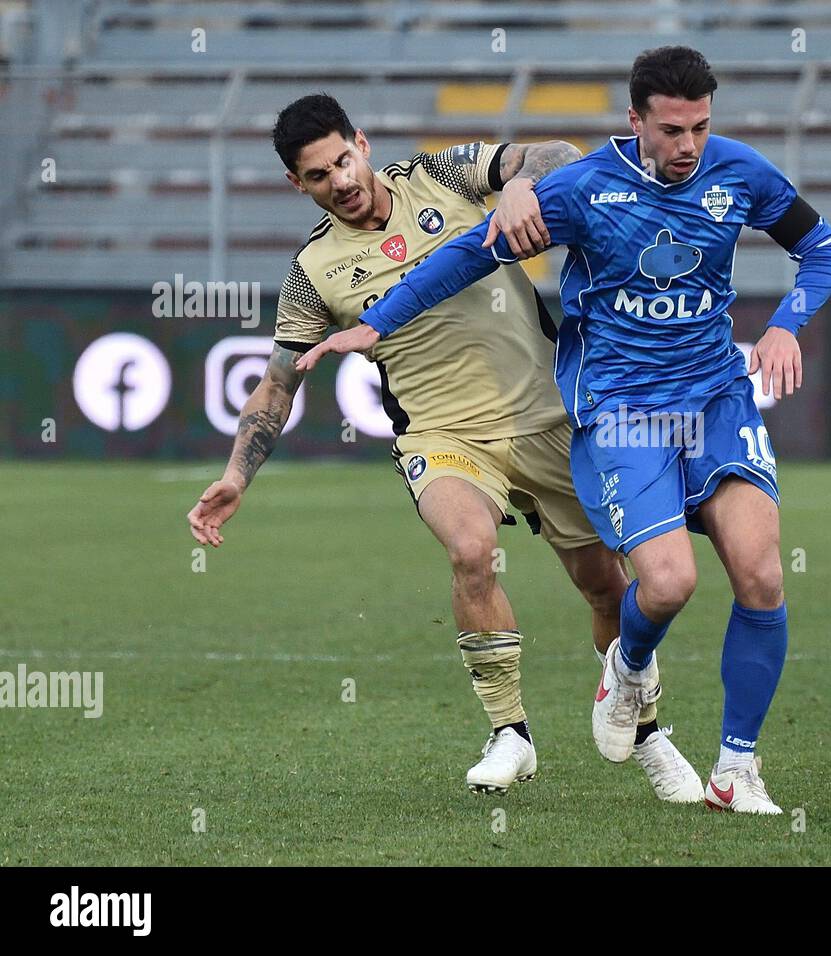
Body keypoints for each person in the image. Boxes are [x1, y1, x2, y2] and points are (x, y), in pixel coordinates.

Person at [295, 47, 831, 815]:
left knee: (760, 577)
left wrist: (788, 324)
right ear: (636, 122)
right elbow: (468, 253)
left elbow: (825, 249)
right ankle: (627, 668)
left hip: (717, 398)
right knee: (667, 585)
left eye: (699, 126)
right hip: (621, 408)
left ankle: (737, 769)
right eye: (670, 130)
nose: (687, 145)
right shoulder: (587, 189)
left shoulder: (741, 173)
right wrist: (379, 321)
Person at [186, 93, 701, 802]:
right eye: (317, 175)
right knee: (468, 549)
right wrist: (237, 475)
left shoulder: (442, 175)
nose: (338, 180)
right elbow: (278, 386)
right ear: (296, 185)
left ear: (361, 143)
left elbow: (562, 157)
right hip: (444, 436)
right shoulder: (315, 270)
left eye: (342, 158)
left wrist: (518, 182)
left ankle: (645, 734)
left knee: (604, 586)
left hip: (549, 418)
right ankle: (509, 733)